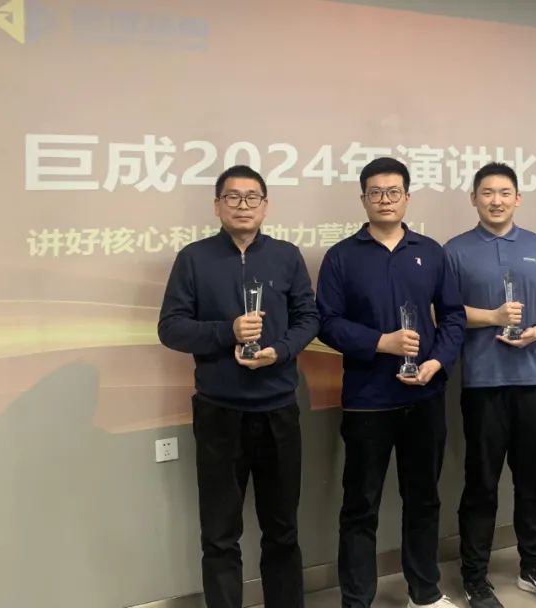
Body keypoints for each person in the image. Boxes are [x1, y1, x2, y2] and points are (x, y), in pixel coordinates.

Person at [158, 165, 319, 608]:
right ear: (217, 206)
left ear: (265, 205)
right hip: (219, 412)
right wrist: (227, 331)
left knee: (282, 529)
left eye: (252, 198)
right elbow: (171, 328)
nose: (243, 205)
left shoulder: (286, 256)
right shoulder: (194, 258)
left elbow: (309, 318)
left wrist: (280, 351)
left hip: (278, 409)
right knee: (220, 534)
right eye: (233, 197)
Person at [315, 157, 466, 608]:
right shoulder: (342, 256)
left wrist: (437, 362)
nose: (385, 199)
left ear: (407, 197)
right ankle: (357, 600)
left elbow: (453, 316)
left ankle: (425, 593)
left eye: (393, 191)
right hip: (368, 400)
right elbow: (326, 322)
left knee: (423, 500)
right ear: (363, 198)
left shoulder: (431, 252)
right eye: (376, 192)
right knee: (360, 506)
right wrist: (380, 342)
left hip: (425, 396)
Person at [444, 162, 536, 608]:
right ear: (474, 199)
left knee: (532, 480)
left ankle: (533, 567)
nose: (495, 200)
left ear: (517, 198)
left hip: (534, 380)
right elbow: (444, 311)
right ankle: (474, 577)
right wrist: (493, 317)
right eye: (487, 193)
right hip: (483, 383)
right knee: (481, 483)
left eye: (504, 193)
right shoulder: (455, 251)